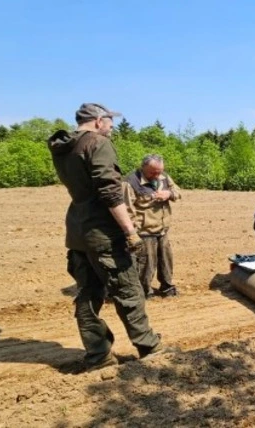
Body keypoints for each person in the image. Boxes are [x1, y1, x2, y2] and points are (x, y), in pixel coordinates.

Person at [47, 102, 165, 371]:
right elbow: (110, 192)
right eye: (110, 121)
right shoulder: (97, 143)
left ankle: (98, 354)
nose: (112, 127)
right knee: (128, 290)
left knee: (88, 294)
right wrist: (130, 232)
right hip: (103, 232)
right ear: (99, 121)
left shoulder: (64, 147)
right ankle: (149, 346)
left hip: (78, 231)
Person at [123, 154, 181, 298]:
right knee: (146, 264)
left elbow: (178, 192)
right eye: (152, 172)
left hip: (163, 229)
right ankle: (144, 292)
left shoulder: (164, 177)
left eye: (159, 172)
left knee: (166, 261)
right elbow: (128, 210)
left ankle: (167, 287)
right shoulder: (130, 182)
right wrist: (133, 232)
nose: (156, 175)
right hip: (145, 231)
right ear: (143, 167)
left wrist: (168, 194)